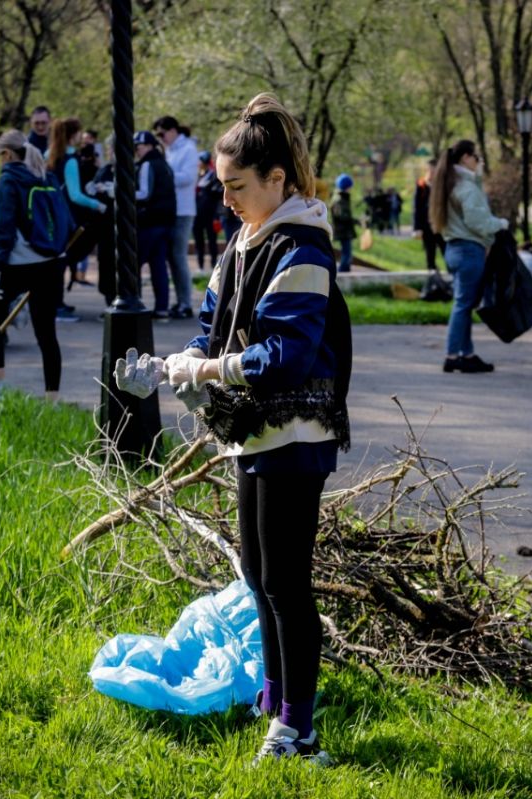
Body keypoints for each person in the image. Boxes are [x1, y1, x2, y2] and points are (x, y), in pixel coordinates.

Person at [163, 92, 351, 765]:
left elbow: (285, 357)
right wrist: (191, 358)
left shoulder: (302, 247)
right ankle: (277, 704)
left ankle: (298, 731)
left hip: (295, 436)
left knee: (287, 585)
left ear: (277, 179)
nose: (227, 200)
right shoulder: (243, 244)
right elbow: (211, 322)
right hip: (256, 436)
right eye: (221, 187)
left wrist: (209, 369)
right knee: (258, 577)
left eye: (237, 187)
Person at [0, 130, 65, 399]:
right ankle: (52, 400)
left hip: (19, 264)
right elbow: (64, 221)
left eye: (0, 156)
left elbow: (5, 230)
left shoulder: (9, 179)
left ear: (7, 154)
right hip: (51, 264)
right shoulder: (48, 176)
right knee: (47, 334)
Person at [429, 139, 508, 373]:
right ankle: (453, 355)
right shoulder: (466, 187)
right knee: (463, 304)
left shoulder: (450, 184)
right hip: (468, 251)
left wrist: (479, 177)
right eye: (477, 157)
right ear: (465, 157)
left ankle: (467, 353)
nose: (478, 162)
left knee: (464, 302)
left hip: (454, 250)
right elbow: (478, 221)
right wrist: (502, 223)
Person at [49, 116, 107, 295]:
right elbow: (75, 195)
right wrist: (97, 204)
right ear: (73, 135)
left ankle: (54, 302)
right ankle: (57, 303)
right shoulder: (71, 160)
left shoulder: (49, 155)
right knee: (64, 259)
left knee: (54, 260)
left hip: (50, 213)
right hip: (66, 217)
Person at [153, 115, 199, 318]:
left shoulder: (188, 149)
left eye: (162, 134)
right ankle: (180, 301)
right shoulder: (170, 150)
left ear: (172, 130)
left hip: (183, 211)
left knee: (179, 257)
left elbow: (188, 177)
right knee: (171, 258)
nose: (161, 138)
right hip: (170, 211)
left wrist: (164, 175)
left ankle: (186, 303)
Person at [134, 129, 176, 319]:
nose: (136, 151)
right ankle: (162, 308)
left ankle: (134, 304)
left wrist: (122, 192)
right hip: (166, 222)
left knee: (135, 263)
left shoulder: (148, 164)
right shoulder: (165, 164)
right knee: (158, 265)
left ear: (149, 146)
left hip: (149, 222)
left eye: (139, 146)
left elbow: (144, 193)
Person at [86, 135, 118, 306]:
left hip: (118, 226)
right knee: (104, 263)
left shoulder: (131, 169)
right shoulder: (105, 169)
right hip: (103, 226)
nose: (109, 153)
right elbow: (93, 185)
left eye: (111, 149)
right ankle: (108, 299)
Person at [413, 160, 445, 272]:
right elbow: (417, 208)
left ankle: (451, 276)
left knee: (446, 251)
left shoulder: (443, 185)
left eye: (433, 170)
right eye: (429, 170)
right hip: (427, 225)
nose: (430, 173)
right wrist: (417, 228)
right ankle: (432, 275)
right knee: (430, 252)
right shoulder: (421, 185)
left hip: (441, 225)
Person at [193, 150, 223, 271]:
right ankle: (200, 266)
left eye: (200, 160)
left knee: (212, 241)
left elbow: (217, 195)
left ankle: (213, 265)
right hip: (197, 215)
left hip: (210, 215)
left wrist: (217, 216)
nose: (198, 163)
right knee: (198, 241)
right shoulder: (197, 176)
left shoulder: (213, 176)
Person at [331, 173, 356, 272]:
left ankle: (346, 268)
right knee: (346, 251)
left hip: (345, 229)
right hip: (342, 230)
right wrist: (353, 220)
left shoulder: (343, 198)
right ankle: (343, 270)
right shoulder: (339, 199)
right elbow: (341, 216)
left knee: (347, 250)